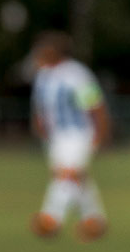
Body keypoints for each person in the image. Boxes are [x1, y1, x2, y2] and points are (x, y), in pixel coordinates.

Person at [28, 32, 110, 240]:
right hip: (57, 136)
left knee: (68, 175)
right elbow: (40, 108)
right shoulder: (43, 75)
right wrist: (41, 129)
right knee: (73, 178)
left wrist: (100, 133)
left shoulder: (76, 74)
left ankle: (51, 218)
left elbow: (94, 105)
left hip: (78, 132)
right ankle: (94, 220)